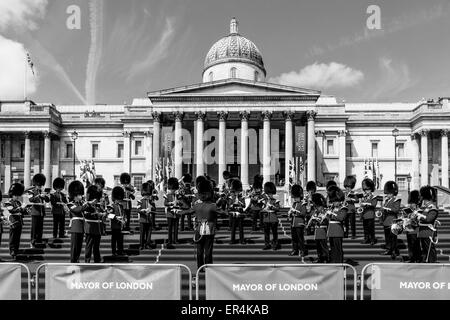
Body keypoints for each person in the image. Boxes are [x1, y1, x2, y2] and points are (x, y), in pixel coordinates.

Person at [191, 179, 218, 269]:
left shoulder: (200, 204)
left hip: (203, 228)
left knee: (203, 251)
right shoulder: (210, 204)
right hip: (204, 228)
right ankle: (205, 267)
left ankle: (204, 267)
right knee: (204, 251)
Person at [379, 181, 401, 259]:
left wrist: (387, 209)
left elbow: (396, 210)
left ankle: (395, 251)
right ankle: (389, 249)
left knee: (393, 238)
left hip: (392, 221)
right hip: (386, 221)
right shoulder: (386, 201)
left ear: (392, 193)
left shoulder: (396, 200)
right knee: (387, 237)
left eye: (388, 193)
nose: (387, 195)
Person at [326, 186, 348, 263]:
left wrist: (332, 214)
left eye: (335, 201)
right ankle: (334, 261)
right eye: (333, 201)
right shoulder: (331, 208)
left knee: (338, 248)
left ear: (339, 200)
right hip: (331, 231)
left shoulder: (343, 208)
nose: (334, 203)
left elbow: (341, 218)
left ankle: (339, 262)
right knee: (332, 248)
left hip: (338, 231)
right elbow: (328, 218)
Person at [5, 183, 27, 260]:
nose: (17, 197)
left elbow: (22, 212)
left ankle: (16, 251)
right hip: (13, 222)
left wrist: (25, 209)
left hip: (19, 222)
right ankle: (12, 251)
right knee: (13, 238)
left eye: (18, 195)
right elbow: (12, 210)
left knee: (17, 238)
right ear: (12, 195)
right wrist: (21, 208)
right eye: (16, 195)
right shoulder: (8, 202)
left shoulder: (18, 203)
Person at [28, 173, 50, 247]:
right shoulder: (31, 191)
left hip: (41, 212)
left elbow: (47, 200)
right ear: (36, 184)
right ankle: (32, 241)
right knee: (34, 228)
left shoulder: (41, 191)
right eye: (39, 185)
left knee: (40, 228)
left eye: (40, 185)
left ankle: (39, 240)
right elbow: (31, 199)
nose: (40, 187)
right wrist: (38, 196)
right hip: (35, 211)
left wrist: (45, 196)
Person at [417, 185, 439, 263]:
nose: (424, 202)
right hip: (423, 231)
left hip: (428, 231)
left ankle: (432, 262)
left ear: (427, 200)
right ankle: (426, 262)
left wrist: (421, 216)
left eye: (425, 201)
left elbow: (429, 219)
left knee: (430, 249)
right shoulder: (426, 208)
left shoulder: (433, 208)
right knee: (425, 249)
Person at [84, 185, 104, 263]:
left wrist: (103, 214)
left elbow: (101, 214)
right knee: (89, 246)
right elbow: (86, 214)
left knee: (96, 247)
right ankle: (87, 261)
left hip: (97, 229)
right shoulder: (87, 206)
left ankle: (97, 260)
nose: (96, 200)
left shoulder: (98, 206)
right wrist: (96, 214)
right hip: (90, 227)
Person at [68, 180, 86, 263]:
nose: (81, 196)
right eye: (79, 195)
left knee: (79, 246)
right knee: (74, 247)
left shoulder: (81, 204)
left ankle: (77, 259)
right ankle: (73, 261)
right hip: (75, 228)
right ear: (75, 195)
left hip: (81, 228)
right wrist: (86, 204)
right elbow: (77, 210)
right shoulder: (71, 204)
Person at [288, 184, 308, 257]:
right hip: (293, 223)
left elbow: (303, 213)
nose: (295, 199)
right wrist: (290, 213)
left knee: (300, 238)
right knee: (294, 239)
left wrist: (295, 212)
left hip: (299, 223)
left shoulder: (303, 204)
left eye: (296, 197)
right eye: (295, 197)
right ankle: (295, 250)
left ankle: (302, 250)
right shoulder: (294, 204)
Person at [310, 193, 329, 263]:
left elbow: (327, 220)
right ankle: (320, 257)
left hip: (322, 230)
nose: (317, 208)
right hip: (317, 230)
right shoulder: (316, 211)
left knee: (324, 246)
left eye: (318, 206)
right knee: (318, 246)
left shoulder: (324, 211)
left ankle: (326, 258)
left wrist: (319, 220)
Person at [359, 178, 379, 245]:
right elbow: (361, 206)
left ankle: (372, 240)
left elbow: (374, 204)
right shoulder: (364, 197)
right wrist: (361, 203)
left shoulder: (373, 197)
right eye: (366, 190)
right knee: (365, 229)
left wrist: (367, 204)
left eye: (368, 189)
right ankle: (366, 239)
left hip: (370, 214)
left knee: (371, 229)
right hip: (364, 215)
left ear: (371, 189)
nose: (367, 191)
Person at [262, 181, 281, 250]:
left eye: (270, 193)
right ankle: (267, 244)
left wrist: (272, 207)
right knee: (266, 234)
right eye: (268, 193)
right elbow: (262, 209)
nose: (269, 195)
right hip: (266, 218)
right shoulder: (265, 201)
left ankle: (275, 244)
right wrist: (264, 209)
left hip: (273, 218)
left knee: (274, 233)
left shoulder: (276, 201)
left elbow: (278, 209)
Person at [137, 181, 156, 250]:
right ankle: (141, 245)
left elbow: (154, 209)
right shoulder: (140, 201)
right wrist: (143, 211)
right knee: (142, 233)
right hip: (143, 219)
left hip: (149, 219)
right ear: (143, 194)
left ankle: (147, 244)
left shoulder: (151, 201)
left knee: (149, 233)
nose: (147, 196)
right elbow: (138, 210)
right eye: (146, 195)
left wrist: (151, 207)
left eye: (148, 195)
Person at [404, 190, 421, 263]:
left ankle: (417, 257)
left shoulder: (419, 210)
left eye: (412, 203)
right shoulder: (408, 210)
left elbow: (419, 220)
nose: (411, 205)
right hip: (408, 228)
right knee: (410, 244)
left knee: (416, 244)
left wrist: (414, 215)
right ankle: (411, 257)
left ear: (416, 204)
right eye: (410, 203)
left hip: (415, 229)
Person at [227, 178, 245, 244]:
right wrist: (232, 205)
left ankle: (242, 240)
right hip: (234, 214)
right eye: (236, 191)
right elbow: (229, 206)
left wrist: (239, 202)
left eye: (238, 191)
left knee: (241, 228)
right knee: (233, 228)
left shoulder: (241, 198)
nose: (237, 192)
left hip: (240, 214)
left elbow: (244, 206)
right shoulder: (231, 198)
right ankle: (232, 240)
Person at [164, 177, 181, 249]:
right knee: (170, 228)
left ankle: (175, 239)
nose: (173, 191)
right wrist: (171, 203)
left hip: (176, 213)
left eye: (174, 189)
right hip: (170, 214)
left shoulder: (177, 196)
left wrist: (178, 202)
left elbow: (181, 203)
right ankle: (170, 240)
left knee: (176, 227)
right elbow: (165, 203)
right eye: (172, 189)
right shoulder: (167, 195)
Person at [110, 186, 126, 256]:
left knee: (120, 239)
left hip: (120, 225)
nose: (119, 200)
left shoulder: (121, 206)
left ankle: (120, 250)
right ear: (115, 198)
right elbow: (109, 215)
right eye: (118, 199)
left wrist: (124, 219)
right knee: (114, 240)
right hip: (114, 225)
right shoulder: (112, 206)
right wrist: (117, 218)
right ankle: (114, 251)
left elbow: (123, 214)